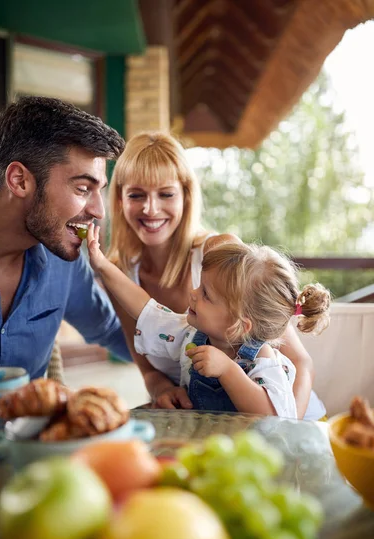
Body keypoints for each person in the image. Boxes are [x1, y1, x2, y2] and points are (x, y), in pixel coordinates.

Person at [106, 131, 316, 417]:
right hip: (205, 422)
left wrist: (288, 431)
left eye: (166, 193)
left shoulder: (219, 252)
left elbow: (300, 362)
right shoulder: (119, 274)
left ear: (186, 196)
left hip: (283, 415)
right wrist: (162, 390)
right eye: (136, 194)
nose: (150, 208)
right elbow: (147, 368)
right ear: (119, 199)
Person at [88, 226, 330, 418]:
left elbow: (274, 417)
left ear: (238, 325)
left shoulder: (264, 361)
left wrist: (228, 370)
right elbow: (146, 309)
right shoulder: (188, 334)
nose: (193, 293)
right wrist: (101, 263)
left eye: (205, 294)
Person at [0, 96, 131, 380]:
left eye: (100, 190)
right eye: (83, 189)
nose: (99, 211)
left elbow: (113, 331)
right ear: (19, 180)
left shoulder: (63, 259)